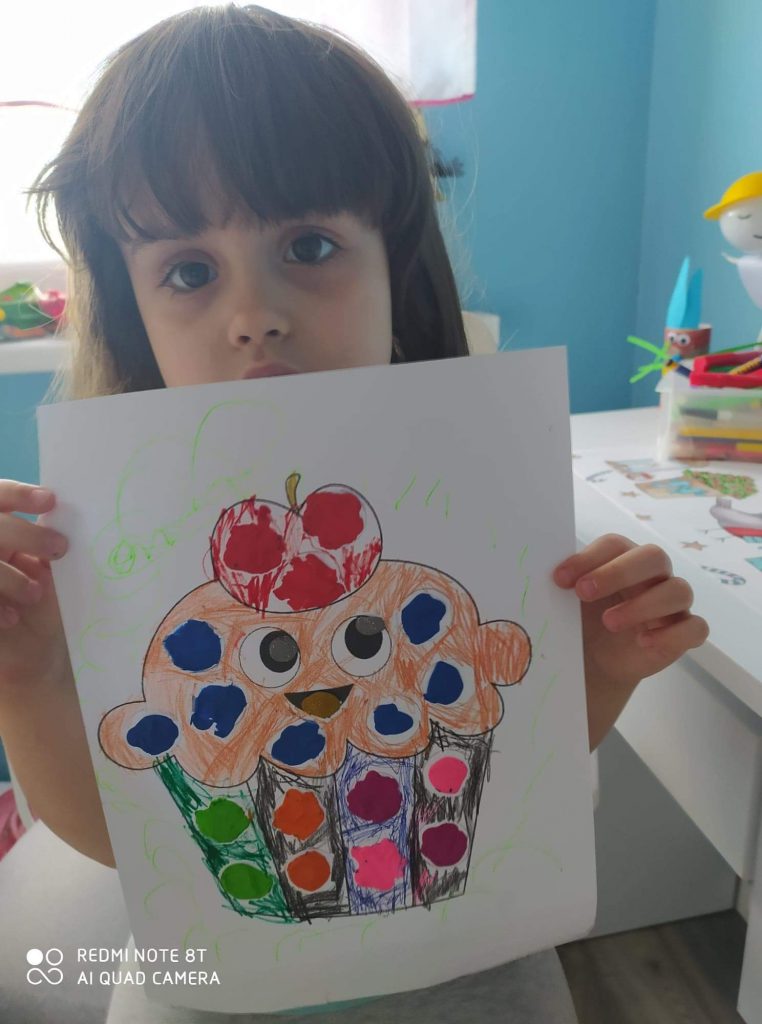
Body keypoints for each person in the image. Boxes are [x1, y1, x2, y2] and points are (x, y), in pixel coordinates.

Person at [0, 5, 708, 1022]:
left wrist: (597, 665)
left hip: (479, 984)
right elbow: (126, 835)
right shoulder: (100, 552)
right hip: (210, 994)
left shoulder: (477, 510)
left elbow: (517, 768)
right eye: (189, 272)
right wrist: (24, 680)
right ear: (131, 307)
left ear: (395, 267)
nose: (255, 315)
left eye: (310, 243)